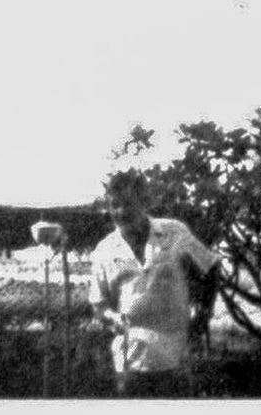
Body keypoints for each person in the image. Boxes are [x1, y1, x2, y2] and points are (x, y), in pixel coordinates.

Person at [88, 170, 221, 398]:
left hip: (176, 355)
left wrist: (204, 312)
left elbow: (211, 266)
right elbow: (99, 304)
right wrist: (112, 317)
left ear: (143, 202)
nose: (121, 212)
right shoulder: (104, 250)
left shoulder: (174, 231)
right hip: (130, 358)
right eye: (114, 205)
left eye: (128, 203)